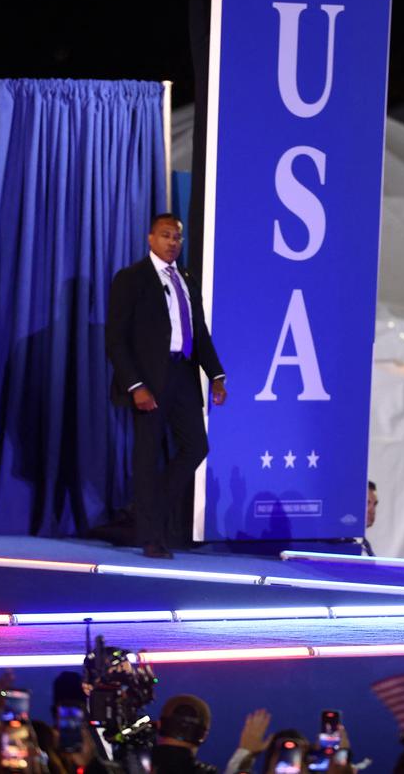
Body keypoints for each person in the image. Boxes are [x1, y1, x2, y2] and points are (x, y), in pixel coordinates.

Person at [106, 214, 226, 559]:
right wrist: (136, 385)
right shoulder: (132, 279)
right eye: (166, 235)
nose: (173, 242)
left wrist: (216, 374)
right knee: (146, 457)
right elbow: (115, 339)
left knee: (196, 447)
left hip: (183, 375)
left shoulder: (186, 279)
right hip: (149, 381)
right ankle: (150, 536)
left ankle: (150, 512)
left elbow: (199, 332)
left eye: (177, 237)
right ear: (150, 239)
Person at [361, 481, 379, 557]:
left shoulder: (365, 545)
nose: (372, 510)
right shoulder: (339, 545)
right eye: (367, 503)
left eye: (374, 504)